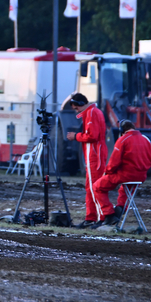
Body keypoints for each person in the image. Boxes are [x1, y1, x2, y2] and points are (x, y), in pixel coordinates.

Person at [91, 120, 151, 228]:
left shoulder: (123, 140)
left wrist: (107, 172)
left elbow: (114, 162)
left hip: (125, 174)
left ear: (122, 130)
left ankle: (109, 214)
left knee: (97, 187)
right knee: (125, 190)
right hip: (141, 176)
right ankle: (120, 209)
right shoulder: (146, 140)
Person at [66, 93, 108, 228]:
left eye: (76, 108)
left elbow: (92, 135)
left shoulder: (91, 113)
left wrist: (76, 136)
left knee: (95, 187)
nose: (76, 111)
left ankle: (102, 217)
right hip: (94, 156)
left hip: (95, 156)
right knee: (91, 187)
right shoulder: (94, 112)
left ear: (80, 104)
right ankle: (91, 217)